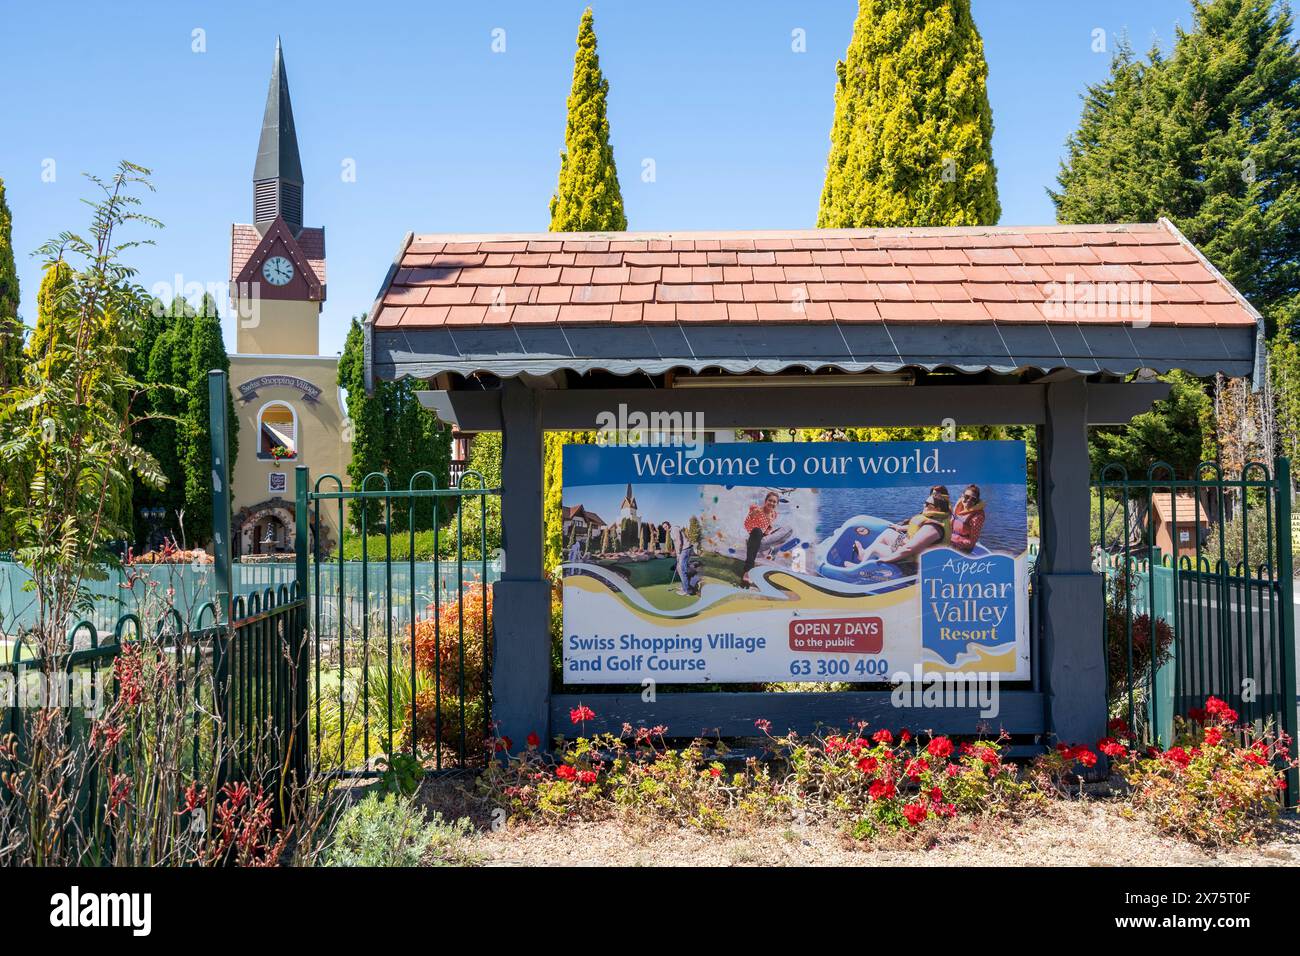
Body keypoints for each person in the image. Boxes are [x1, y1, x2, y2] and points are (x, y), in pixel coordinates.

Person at [853, 485, 952, 565]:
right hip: (910, 546)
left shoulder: (933, 528)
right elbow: (918, 529)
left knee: (876, 548)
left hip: (913, 558)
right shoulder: (936, 517)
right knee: (888, 532)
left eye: (928, 504)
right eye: (925, 503)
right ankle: (864, 556)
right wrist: (900, 527)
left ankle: (859, 568)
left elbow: (909, 549)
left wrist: (888, 559)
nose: (924, 505)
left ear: (937, 509)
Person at [741, 491, 780, 586]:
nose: (772, 503)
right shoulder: (757, 509)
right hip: (752, 532)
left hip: (761, 535)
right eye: (770, 500)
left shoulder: (774, 514)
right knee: (757, 531)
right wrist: (752, 514)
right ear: (765, 501)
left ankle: (769, 553)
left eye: (774, 502)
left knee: (776, 534)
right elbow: (748, 521)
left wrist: (768, 532)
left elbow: (768, 526)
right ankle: (748, 570)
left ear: (777, 504)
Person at [950, 484, 986, 553]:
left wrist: (960, 545)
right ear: (962, 496)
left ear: (976, 501)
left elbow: (973, 540)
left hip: (962, 547)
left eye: (973, 499)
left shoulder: (977, 517)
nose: (969, 500)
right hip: (950, 540)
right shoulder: (958, 506)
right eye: (966, 497)